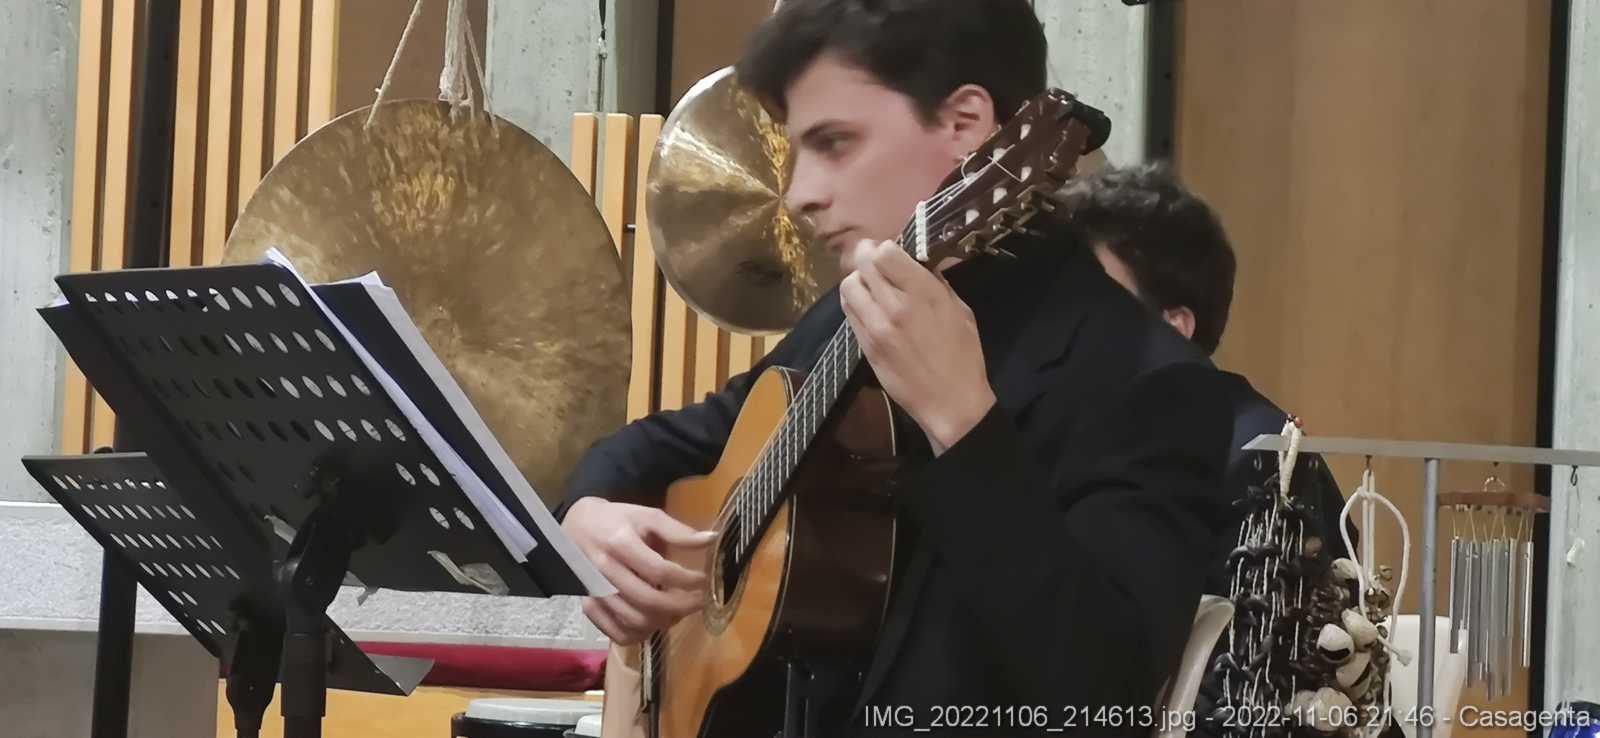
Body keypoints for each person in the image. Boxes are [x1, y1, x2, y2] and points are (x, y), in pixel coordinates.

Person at [556, 2, 1237, 735]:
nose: (799, 194)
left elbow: (1104, 697)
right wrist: (589, 512)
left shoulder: (1148, 383)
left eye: (835, 142)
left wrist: (964, 425)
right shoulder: (849, 317)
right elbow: (682, 440)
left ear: (965, 125)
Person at [1056, 164, 1368, 737]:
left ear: (1173, 327)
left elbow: (1255, 697)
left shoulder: (1260, 455)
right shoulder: (1072, 433)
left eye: (1091, 301)